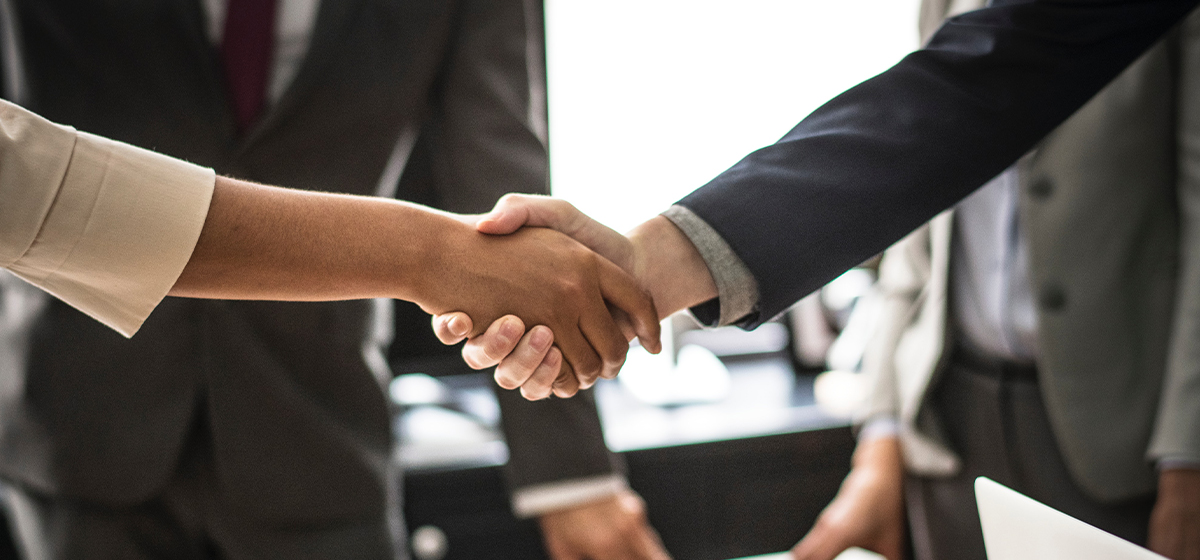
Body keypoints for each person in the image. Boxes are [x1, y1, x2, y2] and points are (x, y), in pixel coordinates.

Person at [0, 1, 668, 559]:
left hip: (317, 430)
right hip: (72, 422)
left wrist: (570, 476)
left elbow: (503, 188)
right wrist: (421, 253)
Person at [784, 1, 1200, 559]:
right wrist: (881, 435)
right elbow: (917, 219)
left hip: (1119, 441)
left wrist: (1189, 459)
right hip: (947, 421)